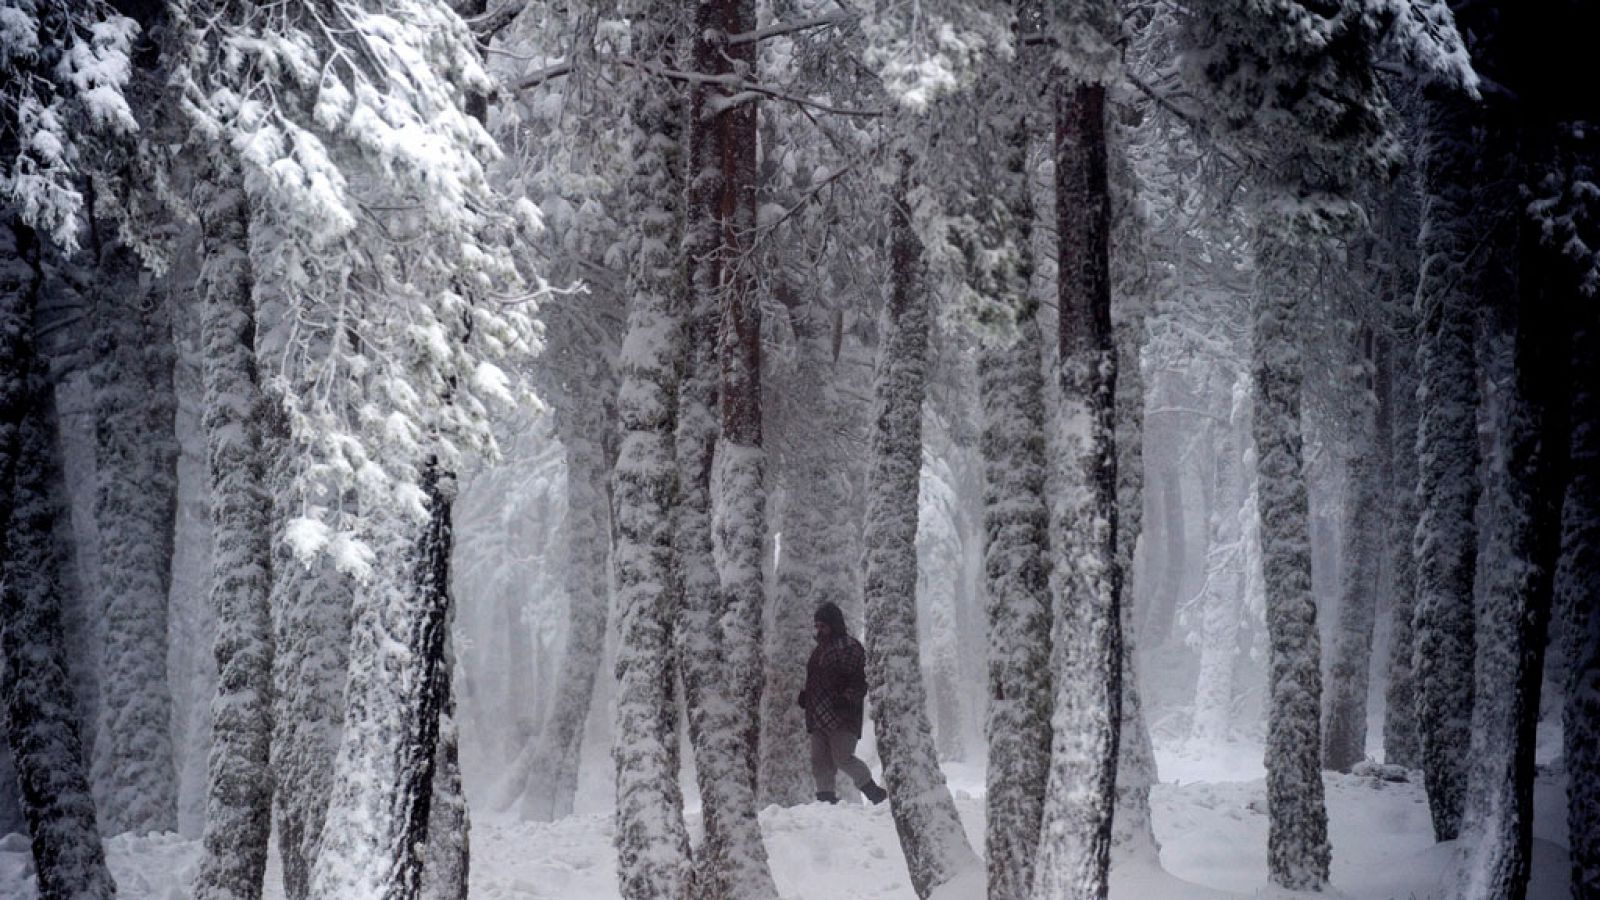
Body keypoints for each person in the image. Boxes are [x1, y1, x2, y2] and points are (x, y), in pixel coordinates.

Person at [797, 602, 888, 805]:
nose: (819, 630)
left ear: (834, 624)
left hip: (843, 718)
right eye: (817, 626)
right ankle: (826, 802)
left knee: (843, 758)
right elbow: (814, 681)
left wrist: (847, 699)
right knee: (819, 762)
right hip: (817, 717)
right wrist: (806, 696)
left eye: (823, 626)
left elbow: (860, 680)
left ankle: (877, 796)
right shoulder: (817, 652)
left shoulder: (850, 648)